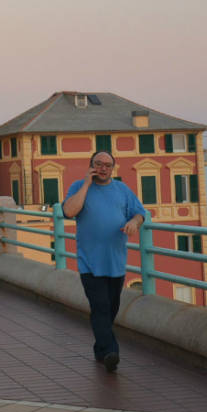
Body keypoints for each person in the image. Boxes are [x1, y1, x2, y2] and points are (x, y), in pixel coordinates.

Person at [62, 150, 147, 373]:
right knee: (100, 306)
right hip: (89, 262)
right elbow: (69, 212)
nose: (103, 168)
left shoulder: (122, 190)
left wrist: (134, 223)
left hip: (116, 262)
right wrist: (86, 185)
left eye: (107, 165)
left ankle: (101, 349)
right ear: (91, 166)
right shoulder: (78, 187)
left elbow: (140, 213)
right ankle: (111, 352)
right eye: (98, 164)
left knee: (110, 308)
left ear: (112, 169)